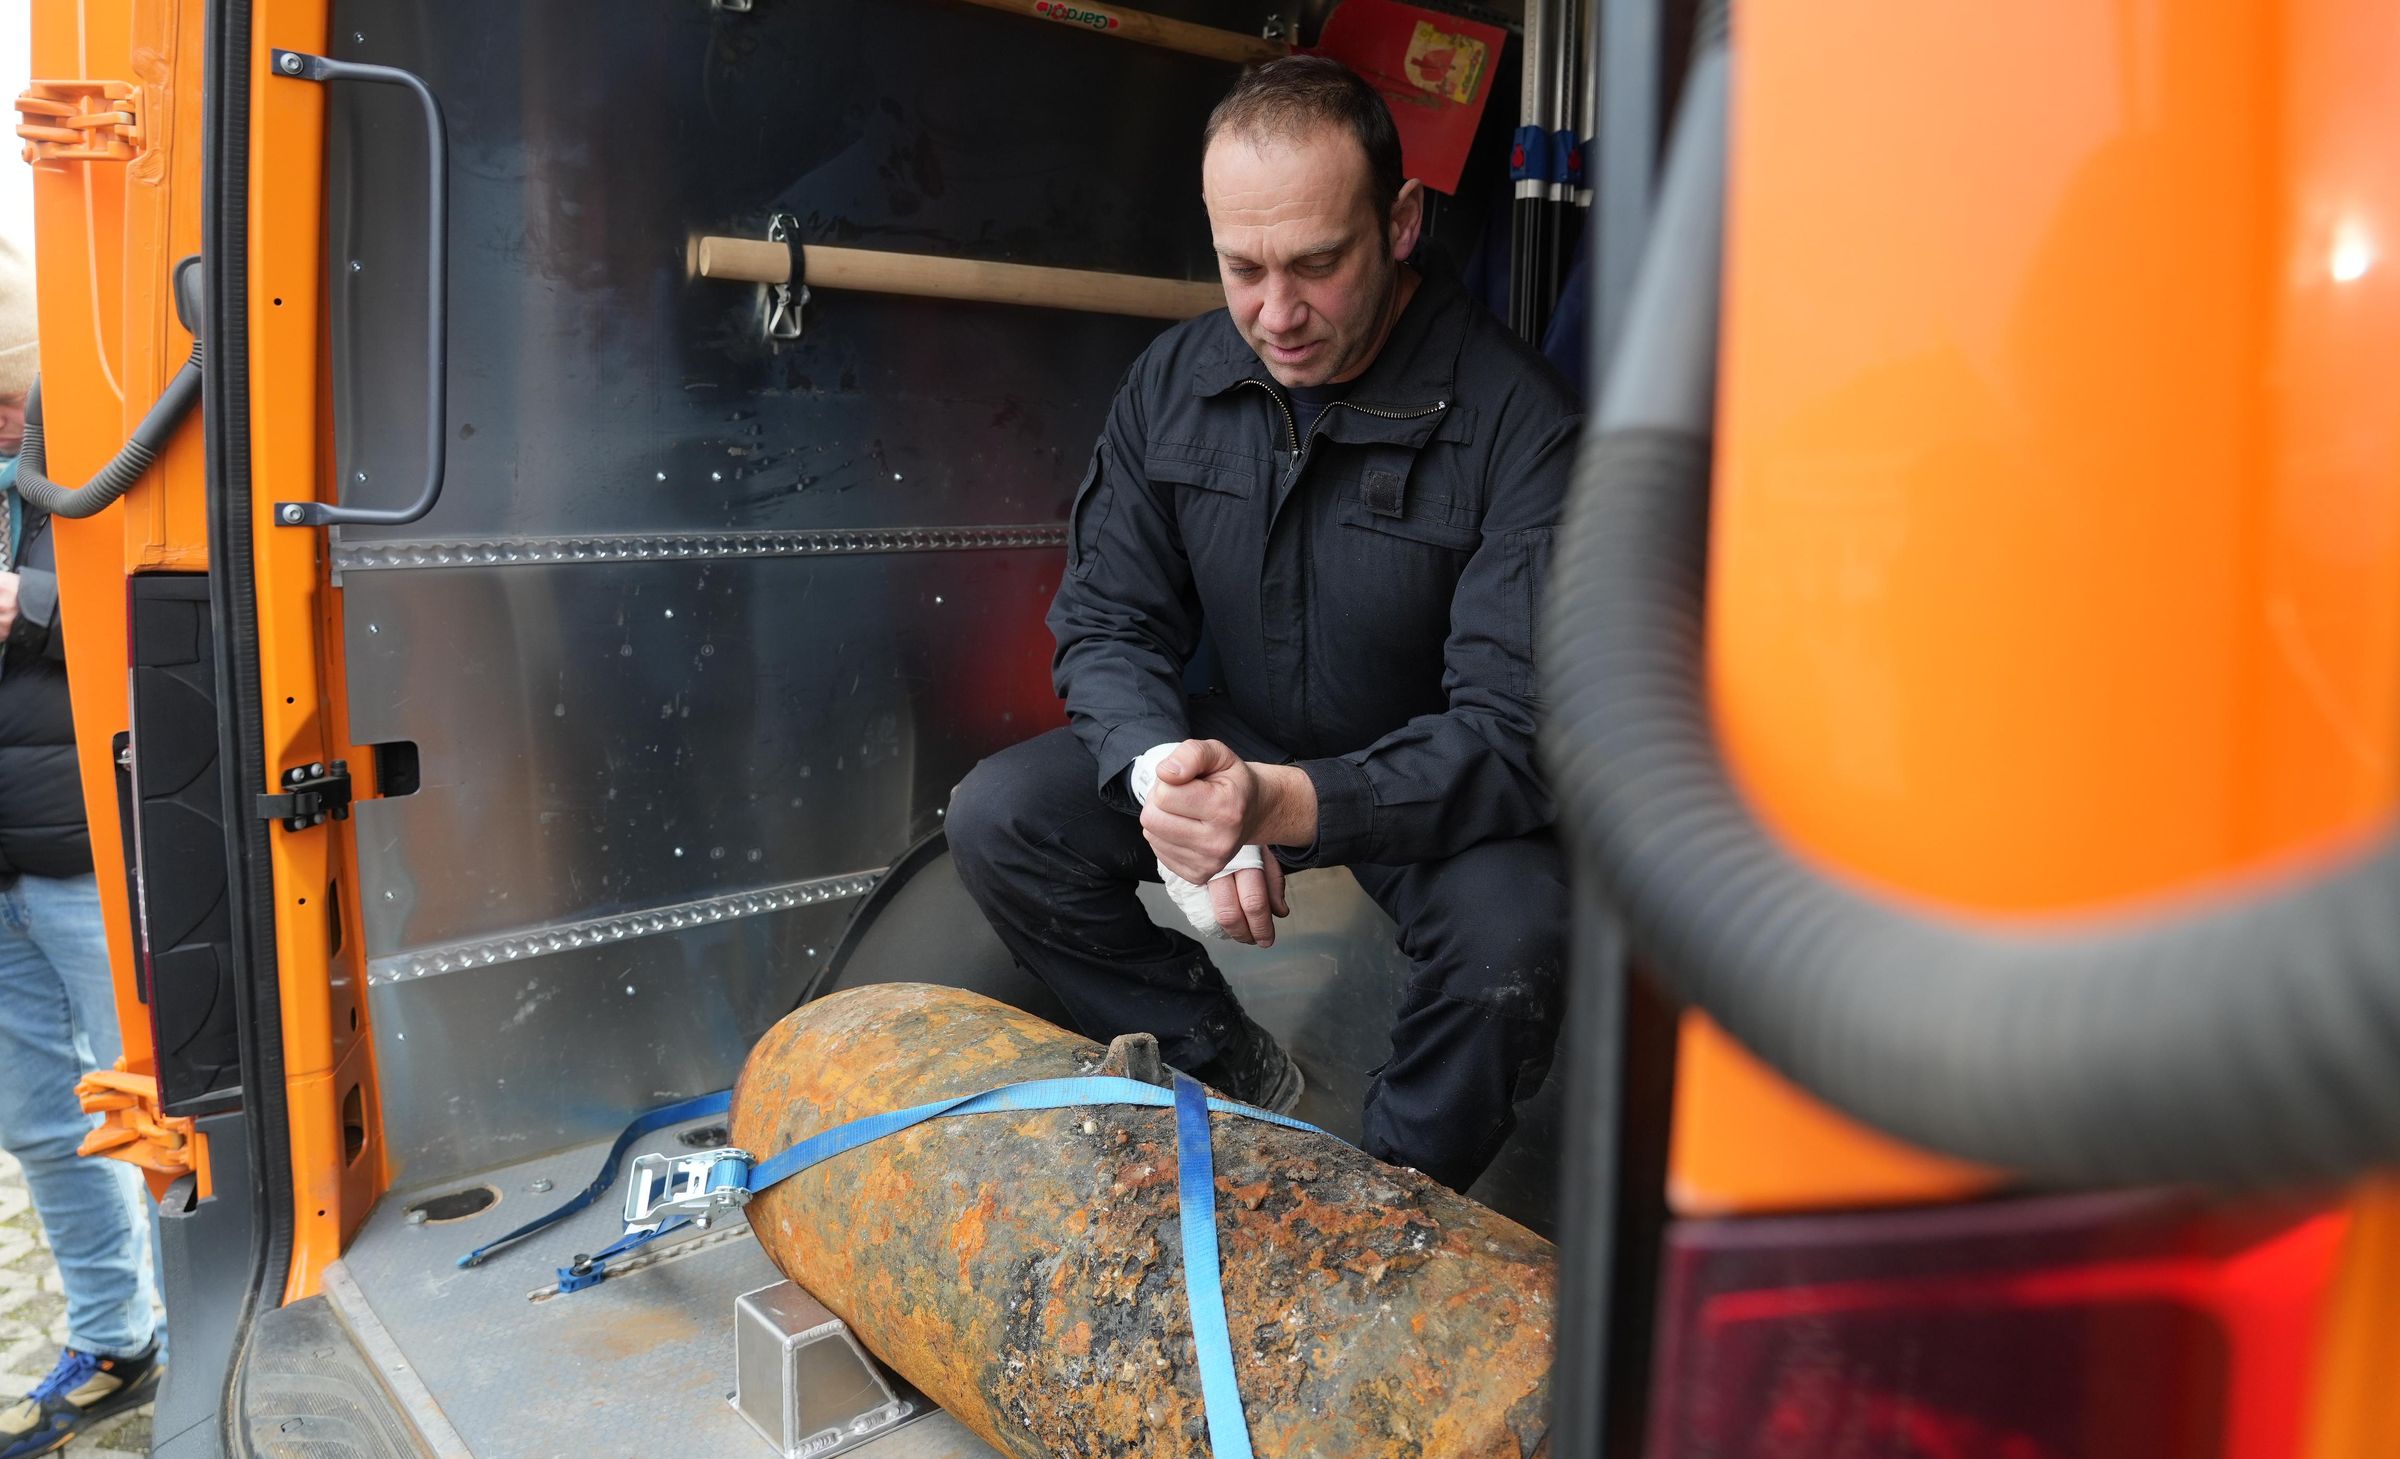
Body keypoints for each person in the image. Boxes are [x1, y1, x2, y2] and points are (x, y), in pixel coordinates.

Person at [949, 57, 1578, 1192]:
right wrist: (1164, 777)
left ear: (1398, 223)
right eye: (1242, 268)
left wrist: (1281, 803)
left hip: (1425, 772)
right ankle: (1231, 1082)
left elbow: (1513, 731)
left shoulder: (1520, 422)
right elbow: (1105, 618)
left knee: (1517, 934)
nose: (1276, 314)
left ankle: (1378, 1212)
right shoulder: (1173, 381)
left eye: (1316, 266)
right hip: (1234, 730)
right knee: (999, 816)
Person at [0, 237, 163, 1459]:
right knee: (43, 1125)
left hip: (89, 852)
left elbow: (177, 596)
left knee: (159, 1111)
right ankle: (116, 1337)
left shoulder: (105, 423)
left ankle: (222, 1322)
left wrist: (32, 605)